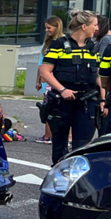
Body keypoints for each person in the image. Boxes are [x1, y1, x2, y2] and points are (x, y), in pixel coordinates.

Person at [39, 10, 107, 164]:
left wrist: (103, 99)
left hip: (87, 103)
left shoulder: (93, 47)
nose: (97, 28)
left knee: (82, 146)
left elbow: (97, 76)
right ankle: (59, 173)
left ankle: (77, 176)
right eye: (95, 25)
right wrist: (62, 90)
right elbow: (45, 71)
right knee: (59, 145)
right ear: (84, 26)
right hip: (62, 102)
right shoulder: (59, 45)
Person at [35, 16, 64, 144]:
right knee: (48, 108)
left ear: (57, 27)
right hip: (47, 81)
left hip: (58, 80)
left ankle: (59, 136)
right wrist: (38, 80)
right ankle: (48, 135)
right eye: (45, 28)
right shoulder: (47, 43)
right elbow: (41, 64)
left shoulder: (64, 42)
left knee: (61, 110)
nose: (46, 30)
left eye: (49, 28)